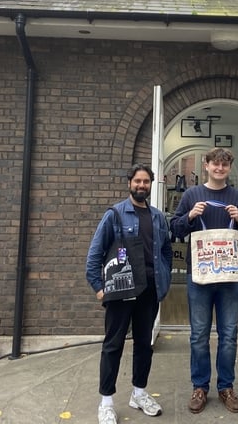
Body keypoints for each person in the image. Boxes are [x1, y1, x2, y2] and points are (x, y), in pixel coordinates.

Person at [170, 148, 238, 414]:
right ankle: (200, 387)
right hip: (199, 276)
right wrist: (190, 216)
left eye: (224, 164)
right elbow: (175, 228)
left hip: (230, 277)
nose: (219, 168)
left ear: (229, 168)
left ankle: (226, 387)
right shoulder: (191, 195)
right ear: (206, 166)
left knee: (229, 335)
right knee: (198, 335)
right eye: (215, 164)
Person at [86, 164, 173, 424]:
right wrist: (98, 288)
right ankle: (106, 402)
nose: (141, 186)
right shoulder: (114, 214)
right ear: (129, 183)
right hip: (120, 292)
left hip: (149, 292)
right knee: (113, 345)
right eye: (137, 181)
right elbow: (95, 253)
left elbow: (166, 251)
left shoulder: (158, 217)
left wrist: (164, 280)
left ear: (151, 185)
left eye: (146, 182)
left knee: (144, 345)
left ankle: (139, 393)